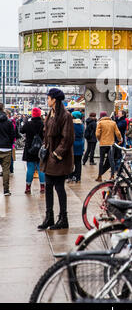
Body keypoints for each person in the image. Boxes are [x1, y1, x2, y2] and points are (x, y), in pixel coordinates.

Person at [38, 88, 74, 230]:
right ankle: (49, 217)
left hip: (59, 160)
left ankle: (63, 218)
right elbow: (46, 135)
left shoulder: (65, 116)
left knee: (59, 188)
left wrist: (56, 154)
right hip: (48, 158)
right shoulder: (50, 114)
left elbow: (68, 139)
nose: (47, 100)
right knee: (48, 187)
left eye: (48, 98)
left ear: (54, 99)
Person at [21, 107, 45, 194]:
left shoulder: (28, 123)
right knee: (41, 168)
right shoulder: (43, 124)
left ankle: (28, 187)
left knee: (30, 169)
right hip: (40, 149)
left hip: (29, 149)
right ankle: (42, 187)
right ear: (39, 114)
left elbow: (21, 131)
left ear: (32, 114)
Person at [95, 111, 122, 182]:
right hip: (111, 144)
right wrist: (120, 139)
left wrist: (99, 139)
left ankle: (99, 176)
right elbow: (118, 133)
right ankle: (112, 176)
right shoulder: (113, 123)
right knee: (111, 160)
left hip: (103, 144)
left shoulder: (100, 123)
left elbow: (97, 134)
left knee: (101, 160)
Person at [0, 103, 15, 196]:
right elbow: (12, 135)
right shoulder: (9, 122)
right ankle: (6, 190)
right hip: (6, 148)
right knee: (6, 170)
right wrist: (9, 144)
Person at [68, 111, 84, 183]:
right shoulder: (82, 125)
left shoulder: (71, 125)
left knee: (71, 162)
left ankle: (70, 176)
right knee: (78, 162)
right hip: (80, 144)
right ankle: (78, 177)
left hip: (72, 145)